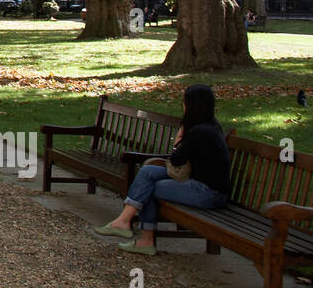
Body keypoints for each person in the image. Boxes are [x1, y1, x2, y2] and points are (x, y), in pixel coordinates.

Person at [95, 84, 230, 255]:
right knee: (147, 172)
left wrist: (180, 136)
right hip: (197, 182)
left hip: (208, 193)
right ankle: (126, 222)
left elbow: (176, 159)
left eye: (185, 101)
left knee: (149, 188)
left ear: (191, 105)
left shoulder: (200, 132)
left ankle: (142, 238)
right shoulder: (210, 126)